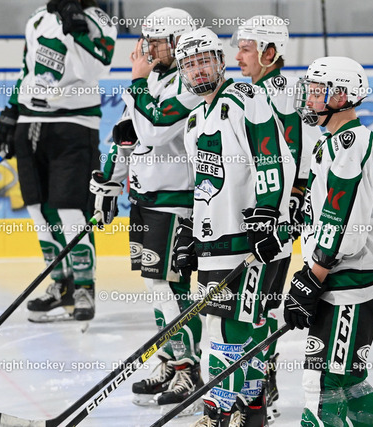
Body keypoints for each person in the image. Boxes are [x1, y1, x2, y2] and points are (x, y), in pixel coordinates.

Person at [173, 27, 296, 426]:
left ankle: (217, 414)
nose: (199, 70)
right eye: (190, 64)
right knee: (248, 326)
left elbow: (273, 158)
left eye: (205, 60)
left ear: (221, 62)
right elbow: (201, 188)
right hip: (215, 242)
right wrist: (190, 235)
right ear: (182, 72)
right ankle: (252, 409)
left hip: (246, 239)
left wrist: (266, 215)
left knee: (227, 331)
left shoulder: (246, 99)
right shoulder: (193, 122)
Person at [88, 7, 205, 408]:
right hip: (145, 198)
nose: (147, 48)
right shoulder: (149, 79)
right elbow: (126, 136)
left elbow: (155, 131)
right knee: (156, 286)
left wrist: (137, 82)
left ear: (178, 42)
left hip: (177, 200)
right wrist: (110, 184)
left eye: (156, 41)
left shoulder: (191, 83)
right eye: (146, 40)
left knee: (170, 287)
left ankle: (189, 369)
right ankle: (171, 360)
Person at [284, 56, 373, 427]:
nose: (310, 99)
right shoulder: (336, 142)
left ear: (343, 95)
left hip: (351, 279)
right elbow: (325, 214)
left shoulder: (351, 146)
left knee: (321, 381)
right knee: (349, 379)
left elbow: (343, 225)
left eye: (318, 92)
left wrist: (312, 277)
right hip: (355, 274)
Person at [0, 0, 116, 322]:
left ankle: (84, 287)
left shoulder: (97, 19)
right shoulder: (36, 17)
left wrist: (76, 29)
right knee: (38, 207)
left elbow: (97, 68)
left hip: (74, 124)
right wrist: (10, 111)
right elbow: (26, 70)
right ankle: (60, 284)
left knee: (70, 209)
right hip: (30, 122)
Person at [231, 14, 321, 419]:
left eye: (246, 49)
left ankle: (257, 391)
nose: (238, 56)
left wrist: (287, 208)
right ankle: (261, 384)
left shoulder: (279, 92)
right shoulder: (270, 89)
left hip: (272, 219)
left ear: (271, 52)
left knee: (256, 307)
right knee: (261, 306)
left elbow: (294, 155)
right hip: (270, 217)